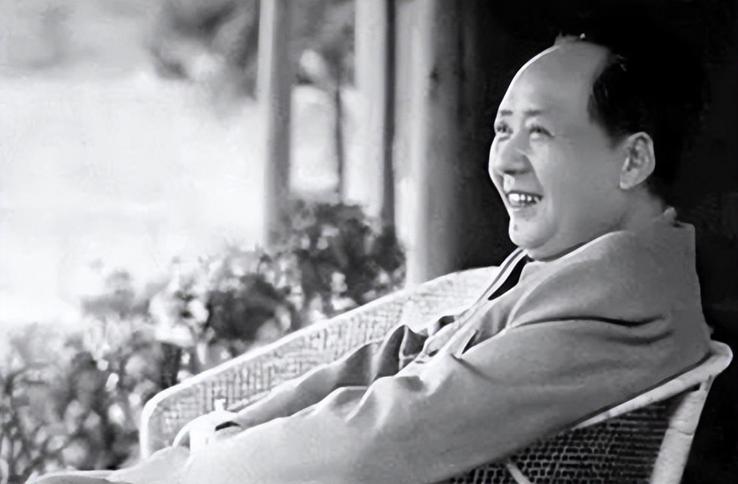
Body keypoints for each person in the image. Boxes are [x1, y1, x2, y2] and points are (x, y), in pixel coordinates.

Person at [32, 25, 711, 484]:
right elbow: (407, 353)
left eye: (540, 133)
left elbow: (394, 430)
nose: (504, 160)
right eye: (502, 129)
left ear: (633, 160)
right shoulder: (586, 263)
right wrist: (217, 434)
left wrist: (185, 473)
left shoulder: (621, 298)